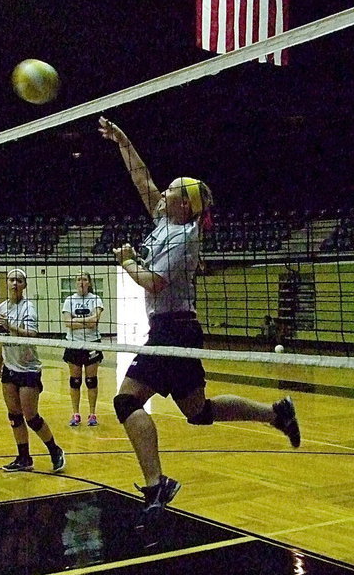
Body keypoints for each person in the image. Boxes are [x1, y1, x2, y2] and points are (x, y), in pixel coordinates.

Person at [98, 116, 300, 527]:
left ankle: (157, 484)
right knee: (199, 411)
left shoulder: (184, 237)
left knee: (125, 402)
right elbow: (143, 180)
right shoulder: (166, 222)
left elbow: (153, 283)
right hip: (174, 329)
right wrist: (123, 140)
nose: (164, 191)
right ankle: (276, 413)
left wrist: (127, 261)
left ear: (185, 203)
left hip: (174, 328)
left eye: (173, 189)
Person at [0, 268, 65, 472]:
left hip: (28, 369)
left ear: (24, 285)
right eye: (11, 280)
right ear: (6, 283)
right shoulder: (2, 307)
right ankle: (24, 458)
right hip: (9, 367)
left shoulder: (29, 308)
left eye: (18, 280)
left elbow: (32, 334)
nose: (14, 283)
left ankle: (55, 451)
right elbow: (3, 337)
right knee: (14, 415)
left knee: (31, 416)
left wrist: (10, 326)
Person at [61, 272, 104, 427]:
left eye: (84, 279)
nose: (81, 282)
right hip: (73, 343)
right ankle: (76, 414)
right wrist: (87, 321)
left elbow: (95, 322)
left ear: (89, 282)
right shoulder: (69, 300)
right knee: (75, 381)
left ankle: (92, 414)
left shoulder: (96, 299)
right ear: (75, 282)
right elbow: (68, 323)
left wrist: (76, 320)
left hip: (92, 343)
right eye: (78, 279)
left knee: (91, 381)